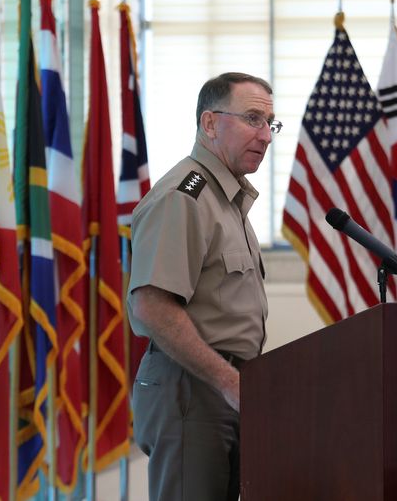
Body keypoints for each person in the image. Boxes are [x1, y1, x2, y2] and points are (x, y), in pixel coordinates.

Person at [127, 72, 279, 501]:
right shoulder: (185, 196)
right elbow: (151, 306)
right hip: (192, 390)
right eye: (253, 119)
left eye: (271, 123)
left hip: (224, 387)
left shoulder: (225, 199)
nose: (266, 136)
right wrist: (228, 382)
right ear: (210, 124)